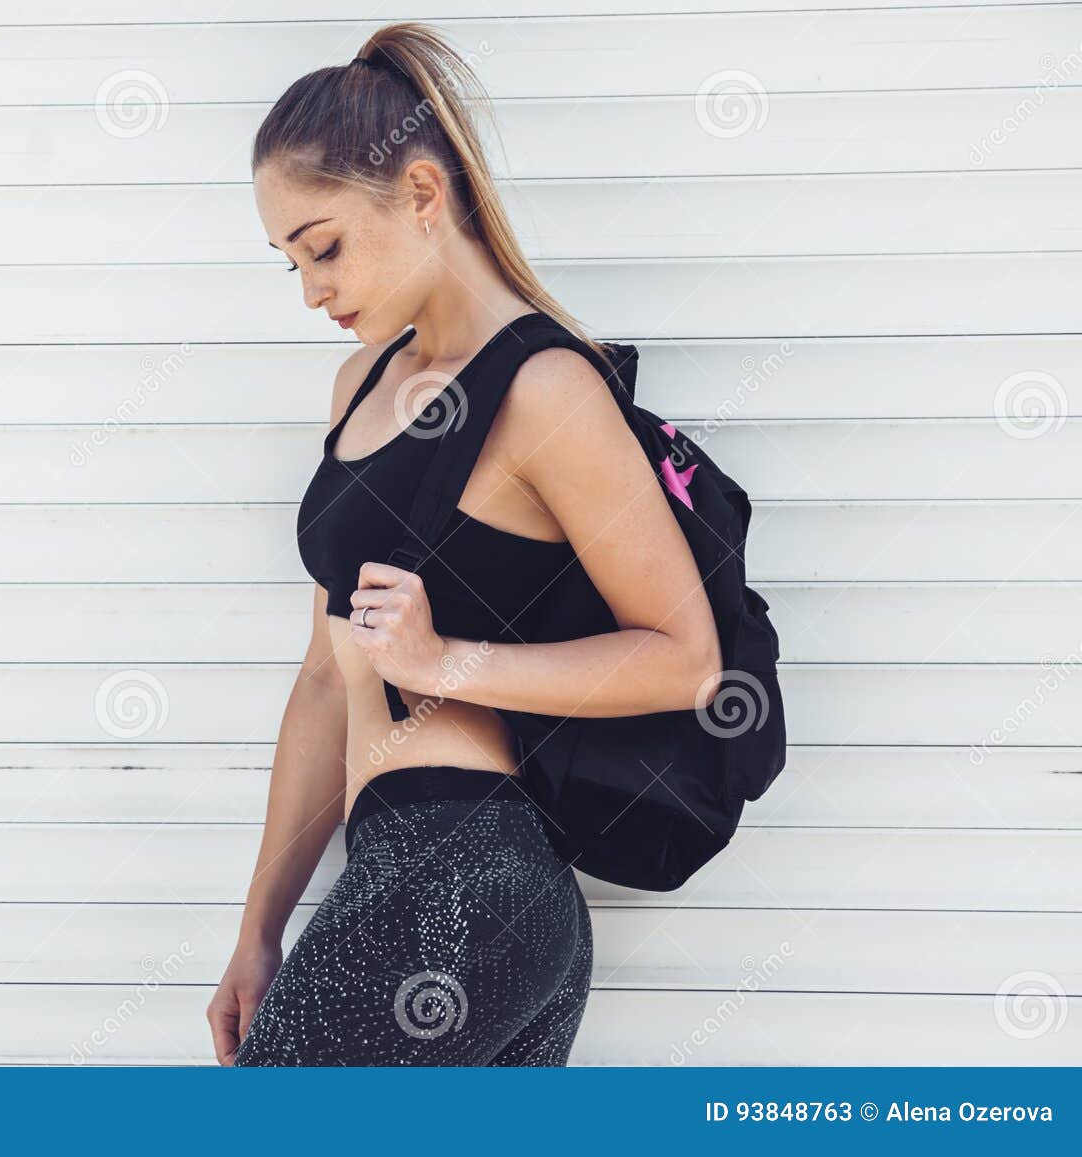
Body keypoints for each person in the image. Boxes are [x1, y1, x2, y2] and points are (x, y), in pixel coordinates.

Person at [208, 22, 722, 1066]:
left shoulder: (543, 387)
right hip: (394, 869)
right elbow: (325, 679)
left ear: (424, 196)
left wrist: (444, 662)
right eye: (288, 261)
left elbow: (684, 655)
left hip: (463, 871)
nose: (309, 289)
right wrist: (259, 928)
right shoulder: (358, 391)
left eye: (324, 245)